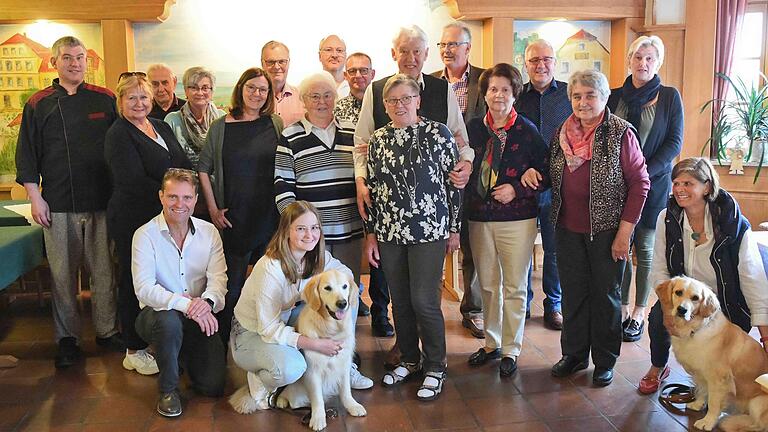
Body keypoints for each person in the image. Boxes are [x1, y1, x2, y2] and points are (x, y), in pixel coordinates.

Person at [523, 69, 649, 387]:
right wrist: (534, 177)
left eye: (590, 95)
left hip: (608, 231)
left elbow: (640, 184)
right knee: (574, 295)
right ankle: (575, 354)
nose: (583, 102)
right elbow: (551, 174)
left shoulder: (621, 132)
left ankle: (605, 360)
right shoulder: (562, 133)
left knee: (605, 296)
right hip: (566, 228)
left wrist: (624, 234)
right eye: (577, 96)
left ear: (604, 98)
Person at [354, 25, 474, 340]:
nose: (410, 57)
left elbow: (460, 139)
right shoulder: (377, 89)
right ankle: (404, 348)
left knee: (425, 295)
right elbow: (362, 144)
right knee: (397, 291)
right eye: (404, 51)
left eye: (416, 51)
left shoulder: (441, 89)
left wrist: (467, 162)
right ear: (394, 54)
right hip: (390, 214)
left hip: (430, 217)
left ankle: (430, 352)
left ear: (425, 54)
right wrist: (361, 180)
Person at [15, 36, 121, 369]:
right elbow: (27, 157)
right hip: (57, 204)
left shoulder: (105, 99)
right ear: (54, 62)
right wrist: (36, 198)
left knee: (104, 273)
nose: (74, 63)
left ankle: (106, 331)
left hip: (102, 202)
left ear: (86, 62)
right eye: (67, 58)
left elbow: (120, 147)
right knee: (62, 276)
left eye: (80, 58)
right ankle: (67, 339)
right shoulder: (38, 103)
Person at [365, 74, 461, 401]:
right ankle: (409, 357)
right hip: (390, 231)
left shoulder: (438, 133)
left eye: (406, 98)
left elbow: (453, 186)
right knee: (401, 300)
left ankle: (436, 365)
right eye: (393, 100)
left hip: (430, 230)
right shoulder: (378, 139)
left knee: (423, 299)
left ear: (418, 100)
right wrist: (372, 234)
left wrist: (455, 228)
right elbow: (374, 189)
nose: (400, 105)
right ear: (385, 105)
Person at [639, 157, 768, 394]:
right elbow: (658, 268)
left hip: (726, 300)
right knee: (657, 320)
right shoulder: (666, 219)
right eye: (676, 183)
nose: (679, 189)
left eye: (688, 183)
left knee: (718, 349)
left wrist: (765, 334)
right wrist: (668, 307)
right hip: (683, 296)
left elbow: (752, 277)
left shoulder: (734, 224)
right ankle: (658, 367)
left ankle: (716, 381)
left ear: (707, 187)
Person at [228, 201, 372, 413]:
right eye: (301, 228)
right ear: (286, 231)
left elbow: (343, 272)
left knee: (347, 299)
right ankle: (261, 383)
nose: (310, 235)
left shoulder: (314, 257)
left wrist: (345, 288)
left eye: (314, 228)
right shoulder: (270, 268)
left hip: (284, 319)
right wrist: (314, 344)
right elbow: (268, 328)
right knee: (293, 367)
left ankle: (343, 362)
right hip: (252, 332)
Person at [105, 73, 192, 376]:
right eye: (132, 98)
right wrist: (172, 198)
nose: (139, 103)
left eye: (144, 97)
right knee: (133, 280)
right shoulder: (119, 133)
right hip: (133, 217)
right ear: (121, 102)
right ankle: (133, 348)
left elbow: (181, 164)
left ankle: (164, 339)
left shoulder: (161, 126)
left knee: (163, 277)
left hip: (166, 217)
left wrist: (182, 198)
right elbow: (131, 180)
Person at [465, 64, 549, 377]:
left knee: (514, 286)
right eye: (492, 89)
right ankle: (492, 343)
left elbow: (547, 173)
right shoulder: (473, 128)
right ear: (484, 94)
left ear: (514, 93)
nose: (498, 95)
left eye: (505, 89)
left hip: (517, 219)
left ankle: (512, 349)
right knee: (487, 285)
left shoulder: (526, 131)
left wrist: (516, 189)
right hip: (479, 217)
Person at [132, 168, 227, 417]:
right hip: (157, 317)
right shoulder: (144, 235)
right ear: (161, 196)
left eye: (187, 198)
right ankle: (168, 390)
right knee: (169, 322)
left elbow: (219, 280)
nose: (180, 204)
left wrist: (206, 302)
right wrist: (186, 306)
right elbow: (144, 289)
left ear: (196, 200)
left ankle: (177, 355)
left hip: (198, 316)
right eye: (173, 197)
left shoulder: (209, 233)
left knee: (213, 386)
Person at [198, 67, 283, 346]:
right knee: (232, 285)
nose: (257, 94)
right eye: (251, 88)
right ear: (240, 89)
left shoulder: (275, 124)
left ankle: (262, 339)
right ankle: (222, 342)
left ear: (269, 94)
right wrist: (213, 209)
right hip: (234, 218)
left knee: (267, 283)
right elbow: (203, 169)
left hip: (269, 217)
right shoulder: (221, 127)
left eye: (263, 89)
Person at [607, 36, 684, 342]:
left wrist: (643, 175)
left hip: (653, 186)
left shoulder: (669, 97)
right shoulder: (613, 97)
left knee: (647, 250)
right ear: (629, 60)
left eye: (650, 58)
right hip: (616, 188)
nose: (643, 64)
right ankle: (622, 308)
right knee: (620, 247)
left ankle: (640, 310)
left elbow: (674, 143)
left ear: (658, 62)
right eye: (638, 57)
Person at [274, 72, 365, 306]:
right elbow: (283, 186)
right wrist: (298, 228)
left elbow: (364, 175)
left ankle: (344, 342)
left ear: (335, 99)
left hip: (349, 230)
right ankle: (313, 342)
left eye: (327, 95)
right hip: (310, 237)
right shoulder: (290, 135)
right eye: (314, 96)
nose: (321, 101)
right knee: (312, 295)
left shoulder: (352, 131)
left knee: (347, 291)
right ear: (303, 100)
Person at [430, 21, 487, 339]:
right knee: (438, 246)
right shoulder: (431, 86)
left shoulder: (485, 80)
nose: (447, 50)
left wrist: (469, 161)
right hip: (439, 182)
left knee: (473, 248)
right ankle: (429, 314)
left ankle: (474, 309)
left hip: (476, 176)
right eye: (442, 45)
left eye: (454, 44)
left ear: (468, 47)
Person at [515, 39, 572, 330]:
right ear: (525, 64)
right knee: (522, 249)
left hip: (557, 186)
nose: (541, 65)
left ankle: (554, 305)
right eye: (534, 60)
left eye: (546, 59)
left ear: (555, 61)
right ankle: (523, 304)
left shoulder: (568, 95)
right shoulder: (516, 96)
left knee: (554, 249)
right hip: (522, 186)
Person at [164, 67, 226, 169]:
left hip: (216, 181)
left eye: (205, 88)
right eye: (194, 87)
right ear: (186, 91)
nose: (200, 92)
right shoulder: (172, 120)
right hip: (184, 181)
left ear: (212, 91)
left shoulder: (221, 117)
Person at [261, 41, 304, 126]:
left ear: (288, 63)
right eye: (270, 62)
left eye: (281, 61)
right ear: (262, 63)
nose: (276, 67)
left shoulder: (302, 98)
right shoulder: (253, 99)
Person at [334, 52, 375, 126]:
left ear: (372, 74)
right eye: (352, 71)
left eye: (363, 70)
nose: (358, 75)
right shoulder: (337, 109)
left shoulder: (385, 106)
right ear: (345, 76)